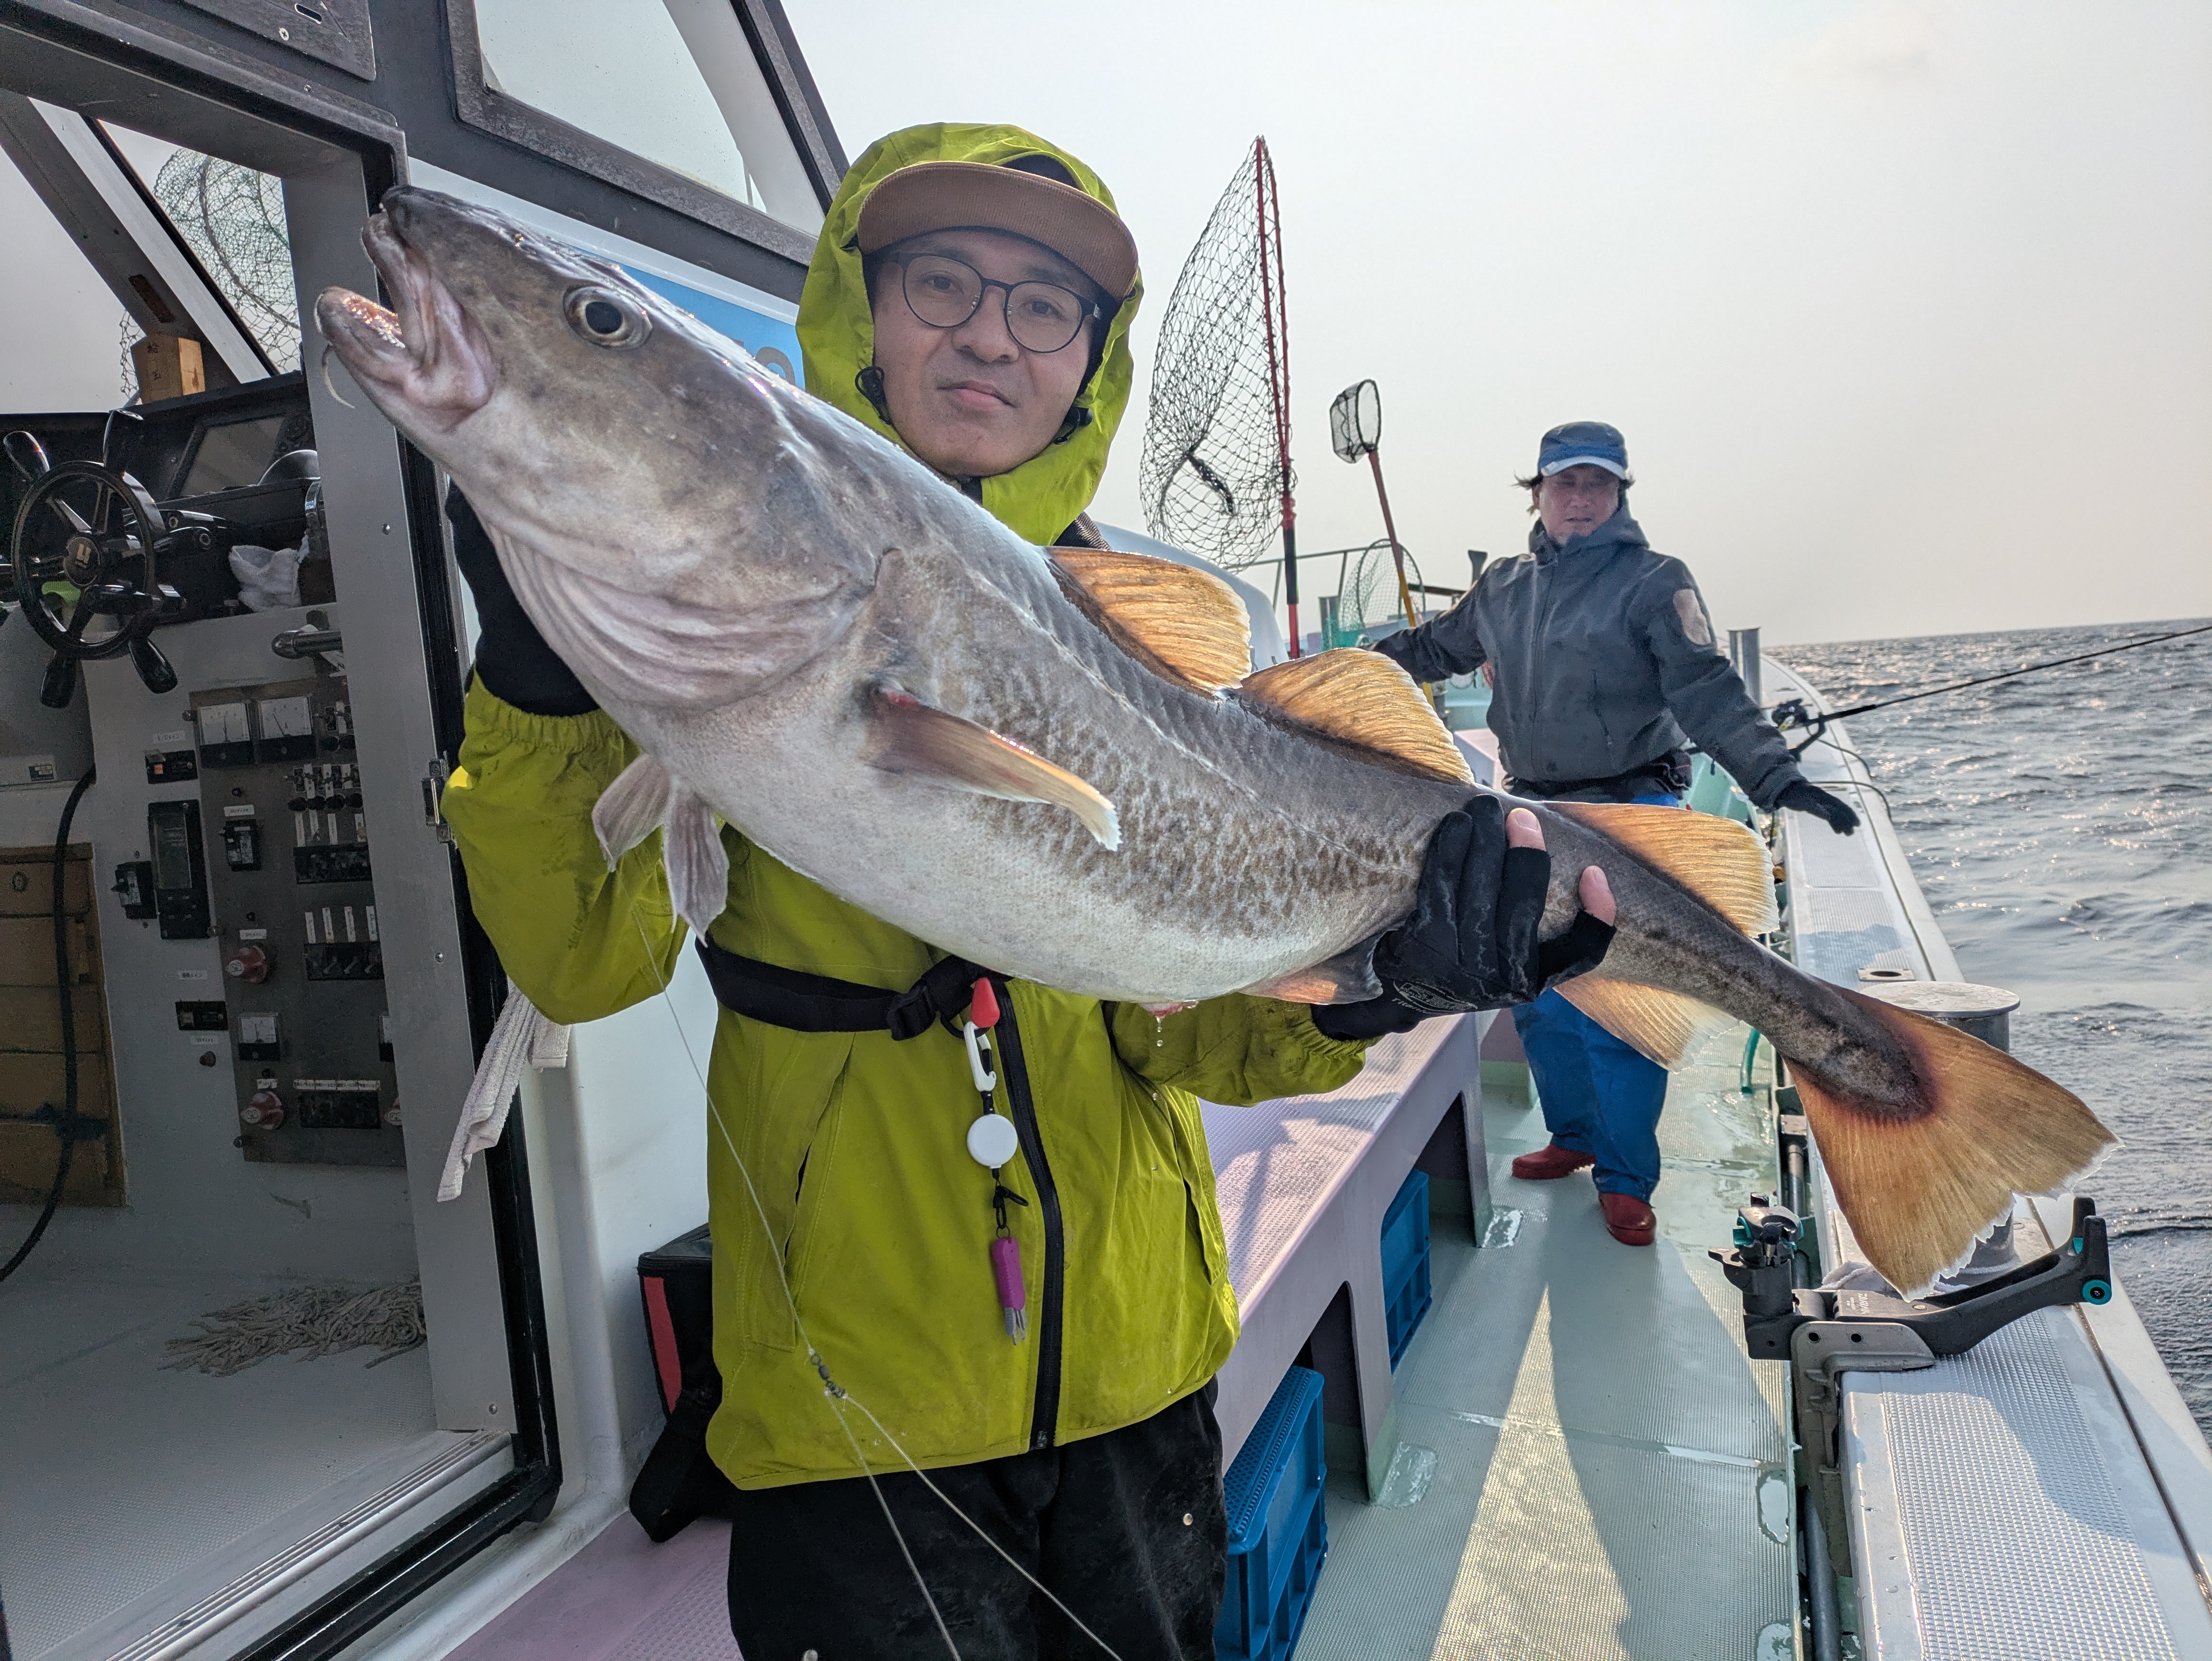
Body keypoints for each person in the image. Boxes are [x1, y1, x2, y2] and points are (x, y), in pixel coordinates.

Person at [441, 127, 1615, 1660]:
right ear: (862, 306)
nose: (991, 332)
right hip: (857, 1409)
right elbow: (581, 966)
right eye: (943, 280)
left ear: (1089, 363)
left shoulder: (1138, 631)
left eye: (1046, 306)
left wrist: (1382, 987)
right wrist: (532, 683)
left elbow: (1192, 1036)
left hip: (1141, 1377)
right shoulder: (698, 637)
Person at [1372, 421, 1859, 1250]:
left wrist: (1778, 779)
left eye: (1599, 485)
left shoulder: (1653, 582)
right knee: (1536, 998)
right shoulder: (1503, 586)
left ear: (1621, 495)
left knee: (1620, 1011)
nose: (1582, 499)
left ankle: (1626, 1177)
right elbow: (1430, 650)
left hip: (1633, 818)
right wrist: (1331, 680)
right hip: (1530, 815)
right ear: (1538, 493)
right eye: (1566, 484)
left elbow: (1707, 689)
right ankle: (1574, 1136)